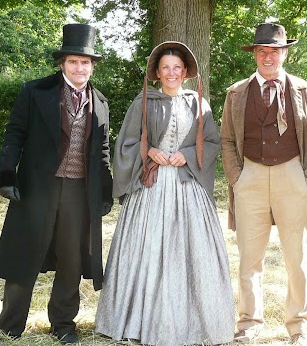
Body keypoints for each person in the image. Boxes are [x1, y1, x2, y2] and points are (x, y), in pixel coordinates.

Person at [94, 41, 234, 345]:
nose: (171, 73)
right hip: (151, 189)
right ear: (157, 72)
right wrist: (150, 150)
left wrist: (187, 153)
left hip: (187, 187)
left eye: (177, 68)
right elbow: (127, 144)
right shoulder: (142, 102)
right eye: (166, 68)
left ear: (185, 72)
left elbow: (211, 143)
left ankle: (194, 324)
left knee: (192, 253)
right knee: (146, 250)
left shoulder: (199, 104)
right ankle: (136, 322)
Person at [0, 24, 113, 345]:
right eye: (73, 61)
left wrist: (105, 191)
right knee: (24, 256)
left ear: (92, 66)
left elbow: (102, 151)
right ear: (62, 64)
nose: (80, 67)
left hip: (78, 192)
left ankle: (63, 325)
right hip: (37, 188)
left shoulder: (99, 102)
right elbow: (15, 134)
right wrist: (6, 176)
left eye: (85, 62)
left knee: (72, 261)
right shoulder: (35, 91)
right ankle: (9, 328)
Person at [220, 23, 307, 345]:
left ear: (284, 53)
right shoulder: (236, 93)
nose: (268, 57)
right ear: (255, 54)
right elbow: (225, 139)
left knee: (298, 257)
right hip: (249, 176)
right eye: (262, 51)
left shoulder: (305, 91)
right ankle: (249, 324)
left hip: (293, 176)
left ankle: (300, 326)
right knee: (249, 259)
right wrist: (237, 178)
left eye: (274, 51)